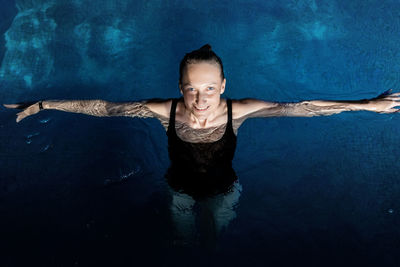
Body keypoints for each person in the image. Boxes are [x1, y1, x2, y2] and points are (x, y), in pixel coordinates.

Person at [3, 44, 400, 247]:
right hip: (177, 187)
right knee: (181, 237)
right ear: (180, 88)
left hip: (226, 188)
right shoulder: (164, 111)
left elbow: (304, 109)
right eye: (192, 89)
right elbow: (105, 108)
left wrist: (367, 106)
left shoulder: (240, 111)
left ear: (223, 86)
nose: (201, 98)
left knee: (215, 237)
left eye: (210, 88)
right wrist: (44, 103)